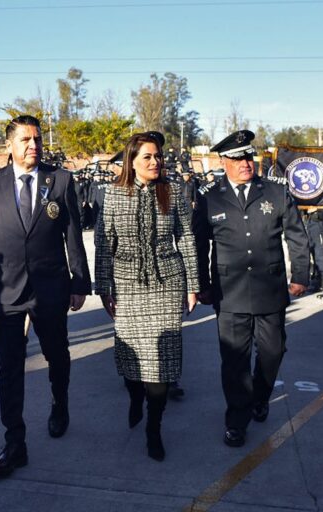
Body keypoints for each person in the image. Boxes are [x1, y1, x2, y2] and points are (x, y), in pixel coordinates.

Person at [0, 115, 91, 478]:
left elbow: (72, 234)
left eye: (37, 139)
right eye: (25, 139)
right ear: (9, 145)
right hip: (6, 289)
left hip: (51, 287)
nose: (33, 145)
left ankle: (59, 403)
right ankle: (14, 442)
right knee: (9, 366)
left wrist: (79, 282)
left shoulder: (60, 180)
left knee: (57, 354)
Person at [194, 130, 310, 447]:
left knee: (273, 351)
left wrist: (300, 274)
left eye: (248, 156)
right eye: (237, 158)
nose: (245, 163)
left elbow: (296, 236)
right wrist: (201, 284)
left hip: (269, 288)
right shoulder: (210, 196)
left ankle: (260, 396)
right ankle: (236, 420)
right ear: (223, 162)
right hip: (229, 291)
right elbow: (199, 244)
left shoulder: (275, 191)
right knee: (234, 362)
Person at [95, 131, 199, 461]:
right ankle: (134, 397)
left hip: (167, 283)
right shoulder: (113, 194)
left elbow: (186, 238)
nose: (155, 162)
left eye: (158, 156)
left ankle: (154, 428)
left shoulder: (174, 191)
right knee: (131, 362)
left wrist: (192, 284)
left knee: (162, 365)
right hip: (127, 285)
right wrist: (104, 288)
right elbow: (104, 243)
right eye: (148, 157)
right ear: (132, 161)